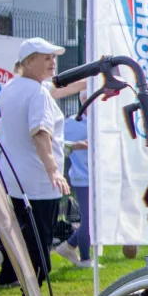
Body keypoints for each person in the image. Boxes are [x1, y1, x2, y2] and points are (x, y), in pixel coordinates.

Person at [0, 38, 71, 296]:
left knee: (25, 235)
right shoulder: (37, 93)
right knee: (41, 246)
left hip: (16, 179)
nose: (52, 62)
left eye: (53, 58)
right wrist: (53, 170)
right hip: (39, 181)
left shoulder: (11, 87)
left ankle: (0, 254)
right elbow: (40, 132)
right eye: (46, 58)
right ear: (29, 61)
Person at [53, 106, 92, 268]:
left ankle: (69, 246)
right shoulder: (72, 123)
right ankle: (85, 259)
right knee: (89, 220)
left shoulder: (105, 120)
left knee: (95, 219)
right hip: (83, 177)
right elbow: (56, 143)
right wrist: (75, 145)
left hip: (100, 177)